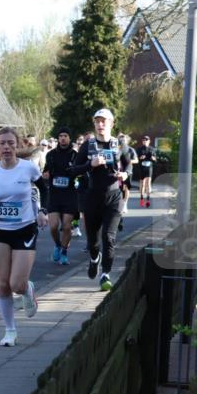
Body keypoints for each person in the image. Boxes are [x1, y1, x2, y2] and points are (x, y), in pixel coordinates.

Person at [0, 127, 48, 346]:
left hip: (24, 229)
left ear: (17, 145)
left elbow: (44, 188)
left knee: (16, 284)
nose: (6, 147)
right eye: (2, 143)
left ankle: (27, 289)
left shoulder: (29, 168)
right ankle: (10, 331)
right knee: (2, 284)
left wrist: (43, 210)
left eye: (10, 143)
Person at [69, 108, 128, 291]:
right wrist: (90, 165)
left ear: (111, 123)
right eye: (97, 121)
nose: (100, 125)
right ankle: (95, 258)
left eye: (104, 121)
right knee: (93, 241)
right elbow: (73, 170)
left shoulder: (119, 145)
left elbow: (129, 167)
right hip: (92, 197)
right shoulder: (88, 145)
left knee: (109, 238)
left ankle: (105, 274)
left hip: (114, 197)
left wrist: (125, 174)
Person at [43, 127, 78, 266]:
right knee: (53, 226)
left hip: (69, 195)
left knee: (67, 226)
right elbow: (46, 171)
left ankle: (64, 251)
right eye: (61, 136)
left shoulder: (75, 155)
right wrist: (46, 175)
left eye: (65, 136)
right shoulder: (51, 154)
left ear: (70, 139)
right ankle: (58, 245)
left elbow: (79, 172)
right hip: (54, 195)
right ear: (58, 138)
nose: (63, 138)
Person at [134, 135, 156, 207]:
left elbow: (155, 160)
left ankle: (148, 199)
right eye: (143, 140)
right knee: (142, 183)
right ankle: (141, 199)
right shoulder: (139, 149)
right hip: (142, 167)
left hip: (149, 167)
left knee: (148, 183)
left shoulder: (152, 149)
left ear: (149, 141)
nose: (144, 141)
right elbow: (136, 159)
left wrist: (153, 158)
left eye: (146, 140)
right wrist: (140, 158)